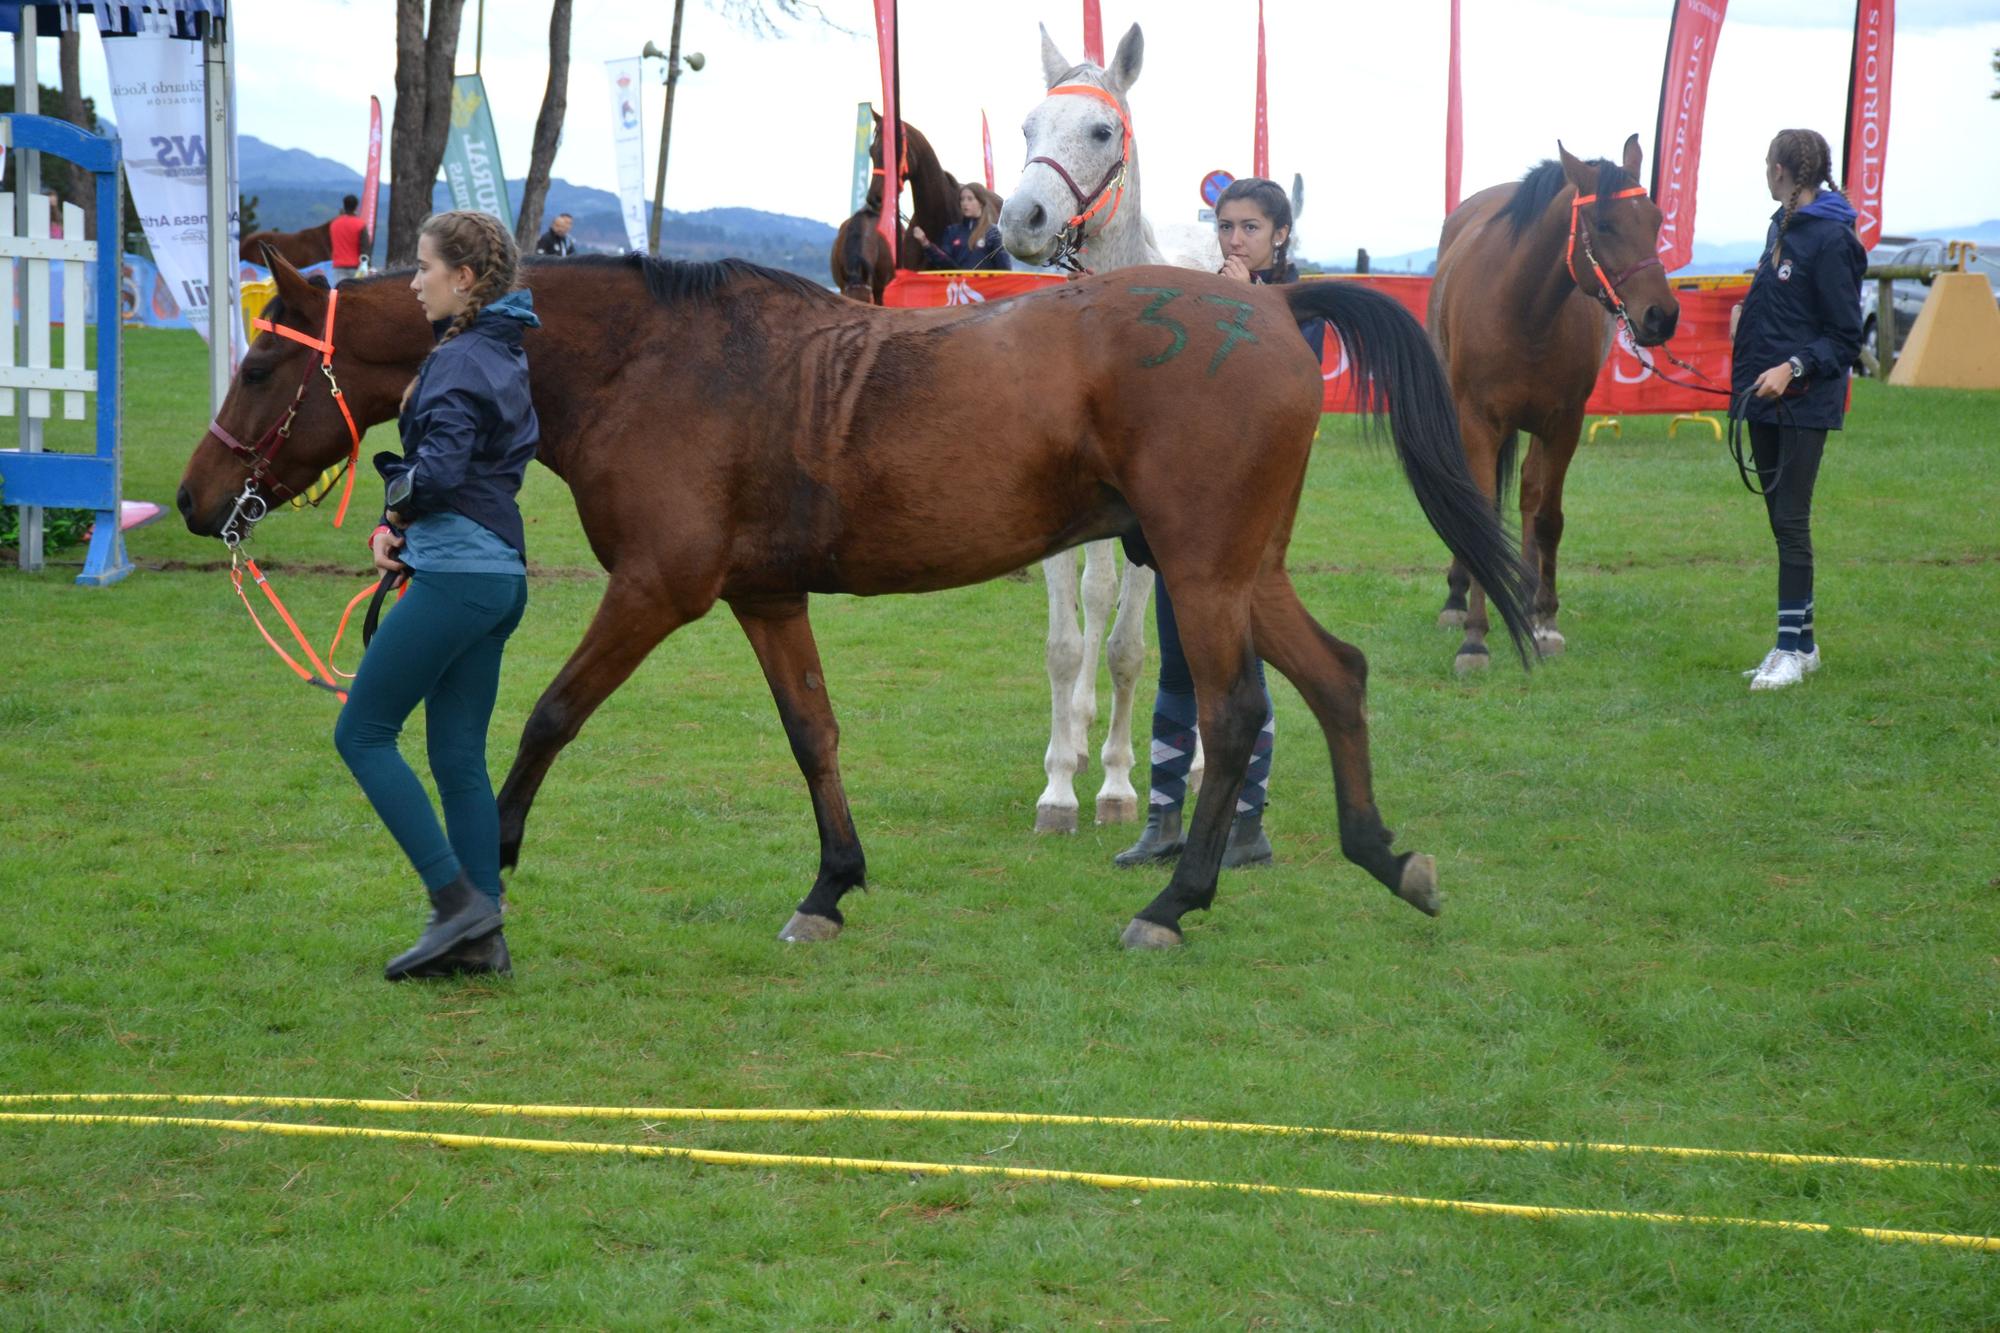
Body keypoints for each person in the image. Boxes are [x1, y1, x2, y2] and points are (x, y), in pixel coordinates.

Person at [334, 209, 541, 981]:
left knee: (362, 735)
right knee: (457, 755)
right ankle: (483, 937)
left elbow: (446, 468)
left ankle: (456, 901)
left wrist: (393, 517)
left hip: (460, 577)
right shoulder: (501, 349)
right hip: (496, 579)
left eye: (423, 267)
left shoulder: (457, 360)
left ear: (464, 278)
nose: (414, 280)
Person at [1114, 177, 1318, 871]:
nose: (1234, 239)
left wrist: (1248, 303)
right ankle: (1163, 820)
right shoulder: (1200, 298)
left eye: (1250, 228)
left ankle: (1248, 825)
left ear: (1280, 235)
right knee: (1176, 662)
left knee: (1239, 667)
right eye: (1226, 226)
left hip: (1247, 521)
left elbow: (1293, 387)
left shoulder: (1298, 307)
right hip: (1187, 515)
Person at [1731, 128, 1865, 693]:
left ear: (1785, 171)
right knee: (1777, 519)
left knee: (1791, 520)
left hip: (1805, 401)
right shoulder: (1779, 225)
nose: (1764, 172)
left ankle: (1789, 649)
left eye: (1768, 164)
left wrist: (1793, 368)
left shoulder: (1832, 239)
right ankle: (1802, 644)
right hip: (1762, 398)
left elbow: (1844, 337)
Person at [910, 185, 1011, 270]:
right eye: (962, 199)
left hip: (986, 291)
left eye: (970, 199)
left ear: (980, 202)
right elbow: (946, 265)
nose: (965, 203)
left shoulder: (993, 232)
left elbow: (1004, 268)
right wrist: (926, 243)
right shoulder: (951, 231)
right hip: (959, 290)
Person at [328, 194, 369, 283]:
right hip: (356, 267)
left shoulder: (334, 224)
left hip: (338, 266)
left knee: (339, 293)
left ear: (344, 205)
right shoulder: (360, 224)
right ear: (356, 207)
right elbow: (365, 248)